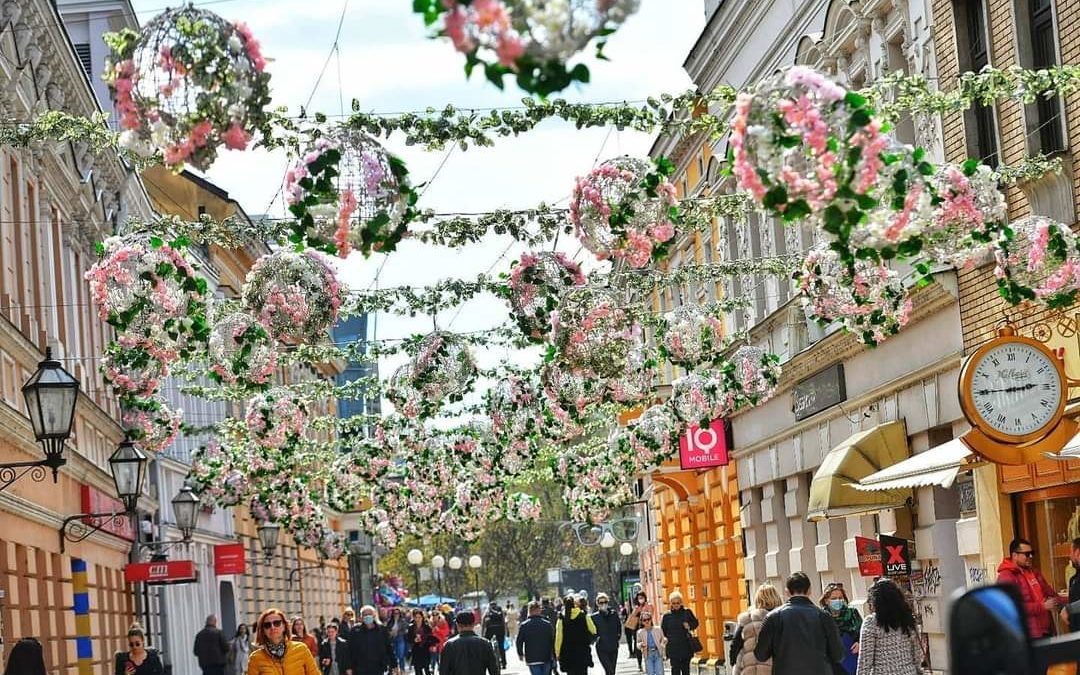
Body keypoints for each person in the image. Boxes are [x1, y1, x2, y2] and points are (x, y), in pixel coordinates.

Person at [753, 572, 843, 675]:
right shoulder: (824, 616)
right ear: (809, 590)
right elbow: (838, 655)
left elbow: (760, 655)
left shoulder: (773, 617)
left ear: (787, 591)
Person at [996, 537, 1066, 639]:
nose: (1031, 556)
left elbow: (1051, 594)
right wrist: (1042, 606)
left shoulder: (1035, 572)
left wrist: (1067, 602)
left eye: (1032, 553)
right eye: (1027, 554)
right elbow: (1011, 607)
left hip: (1046, 631)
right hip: (1027, 635)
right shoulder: (1006, 576)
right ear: (1015, 555)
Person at [855, 579, 924, 675]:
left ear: (876, 602)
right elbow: (917, 654)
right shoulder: (908, 620)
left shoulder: (871, 623)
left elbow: (865, 662)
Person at [729, 583, 783, 675]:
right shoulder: (782, 618)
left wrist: (734, 663)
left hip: (749, 671)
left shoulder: (747, 619)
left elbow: (735, 645)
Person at [248, 607, 320, 675]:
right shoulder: (255, 658)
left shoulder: (301, 649)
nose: (272, 627)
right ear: (263, 630)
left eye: (277, 623)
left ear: (285, 626)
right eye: (267, 625)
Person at [439, 610, 500, 675]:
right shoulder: (485, 643)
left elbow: (443, 671)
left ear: (457, 625)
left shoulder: (449, 645)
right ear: (473, 624)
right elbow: (494, 670)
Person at [821, 583, 862, 675]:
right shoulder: (821, 616)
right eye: (834, 598)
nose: (838, 601)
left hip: (851, 658)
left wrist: (859, 643)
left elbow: (862, 632)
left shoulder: (852, 613)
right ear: (826, 600)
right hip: (831, 661)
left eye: (840, 598)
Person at [555, 593, 597, 675]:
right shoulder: (583, 615)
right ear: (575, 604)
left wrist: (557, 652)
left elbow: (559, 637)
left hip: (567, 653)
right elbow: (593, 630)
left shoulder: (561, 618)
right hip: (582, 652)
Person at [348, 605, 394, 675]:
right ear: (361, 617)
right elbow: (350, 650)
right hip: (360, 668)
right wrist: (349, 667)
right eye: (365, 615)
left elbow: (389, 648)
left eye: (369, 614)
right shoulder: (355, 631)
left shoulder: (382, 630)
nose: (367, 616)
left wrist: (394, 665)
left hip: (378, 668)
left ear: (374, 615)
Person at [659, 592, 698, 675]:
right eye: (673, 603)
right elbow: (662, 631)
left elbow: (696, 623)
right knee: (675, 670)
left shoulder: (687, 612)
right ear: (670, 603)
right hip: (673, 647)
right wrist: (664, 639)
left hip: (685, 646)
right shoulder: (667, 616)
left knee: (686, 670)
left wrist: (689, 625)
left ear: (681, 602)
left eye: (678, 603)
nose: (676, 605)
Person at [517, 601, 556, 675]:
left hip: (532, 658)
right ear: (539, 610)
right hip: (546, 657)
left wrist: (520, 653)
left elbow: (519, 641)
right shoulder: (547, 624)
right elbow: (552, 640)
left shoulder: (524, 625)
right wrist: (554, 654)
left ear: (529, 611)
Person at [592, 593, 622, 675]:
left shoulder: (613, 614)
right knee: (609, 670)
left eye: (605, 602)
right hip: (602, 648)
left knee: (612, 671)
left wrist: (617, 637)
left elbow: (619, 627)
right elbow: (592, 631)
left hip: (613, 647)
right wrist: (596, 638)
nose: (603, 604)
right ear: (597, 604)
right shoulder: (594, 617)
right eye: (601, 603)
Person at [624, 592, 652, 671]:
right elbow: (632, 617)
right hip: (638, 629)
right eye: (639, 598)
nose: (641, 600)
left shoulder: (648, 605)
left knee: (648, 646)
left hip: (647, 628)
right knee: (638, 646)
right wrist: (636, 610)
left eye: (642, 598)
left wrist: (644, 611)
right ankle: (639, 664)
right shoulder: (636, 607)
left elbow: (651, 614)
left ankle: (648, 663)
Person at [409, 609, 440, 675]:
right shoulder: (411, 627)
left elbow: (431, 638)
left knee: (427, 669)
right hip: (416, 650)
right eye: (416, 617)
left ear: (422, 617)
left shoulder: (427, 627)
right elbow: (408, 639)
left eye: (419, 617)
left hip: (425, 649)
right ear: (414, 617)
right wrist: (414, 640)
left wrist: (433, 645)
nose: (418, 619)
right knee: (417, 669)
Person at [482, 601, 508, 669]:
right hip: (500, 629)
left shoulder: (487, 610)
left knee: (487, 644)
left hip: (490, 629)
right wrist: (505, 631)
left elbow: (483, 621)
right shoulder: (499, 609)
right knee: (501, 646)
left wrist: (483, 634)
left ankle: (487, 662)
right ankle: (504, 663)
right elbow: (503, 621)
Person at [1062, 537, 1080, 631]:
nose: (1070, 556)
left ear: (1077, 552)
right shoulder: (1075, 577)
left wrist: (1068, 609)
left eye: (1071, 552)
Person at [388, 608, 410, 672]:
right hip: (392, 639)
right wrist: (390, 632)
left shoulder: (403, 621)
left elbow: (406, 630)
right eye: (395, 613)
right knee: (393, 655)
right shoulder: (390, 621)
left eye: (397, 613)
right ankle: (394, 670)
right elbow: (387, 630)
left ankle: (402, 669)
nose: (396, 614)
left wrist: (397, 632)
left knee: (401, 655)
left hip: (400, 639)